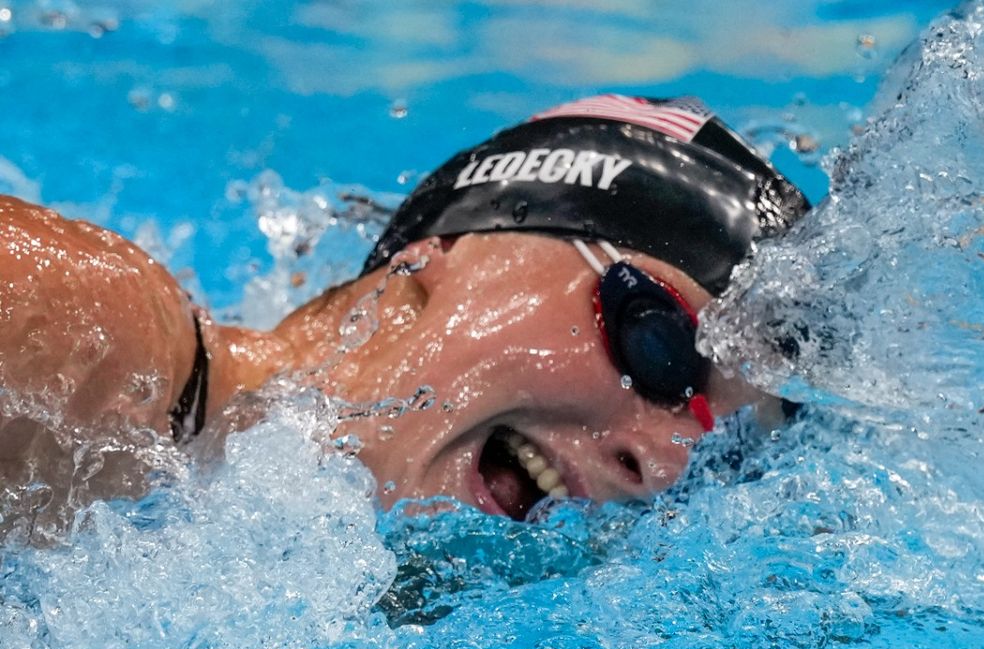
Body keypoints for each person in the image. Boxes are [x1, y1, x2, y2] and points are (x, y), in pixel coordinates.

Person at [0, 94, 808, 535]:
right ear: (444, 250)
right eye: (658, 345)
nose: (664, 466)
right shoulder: (91, 342)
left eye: (717, 454)